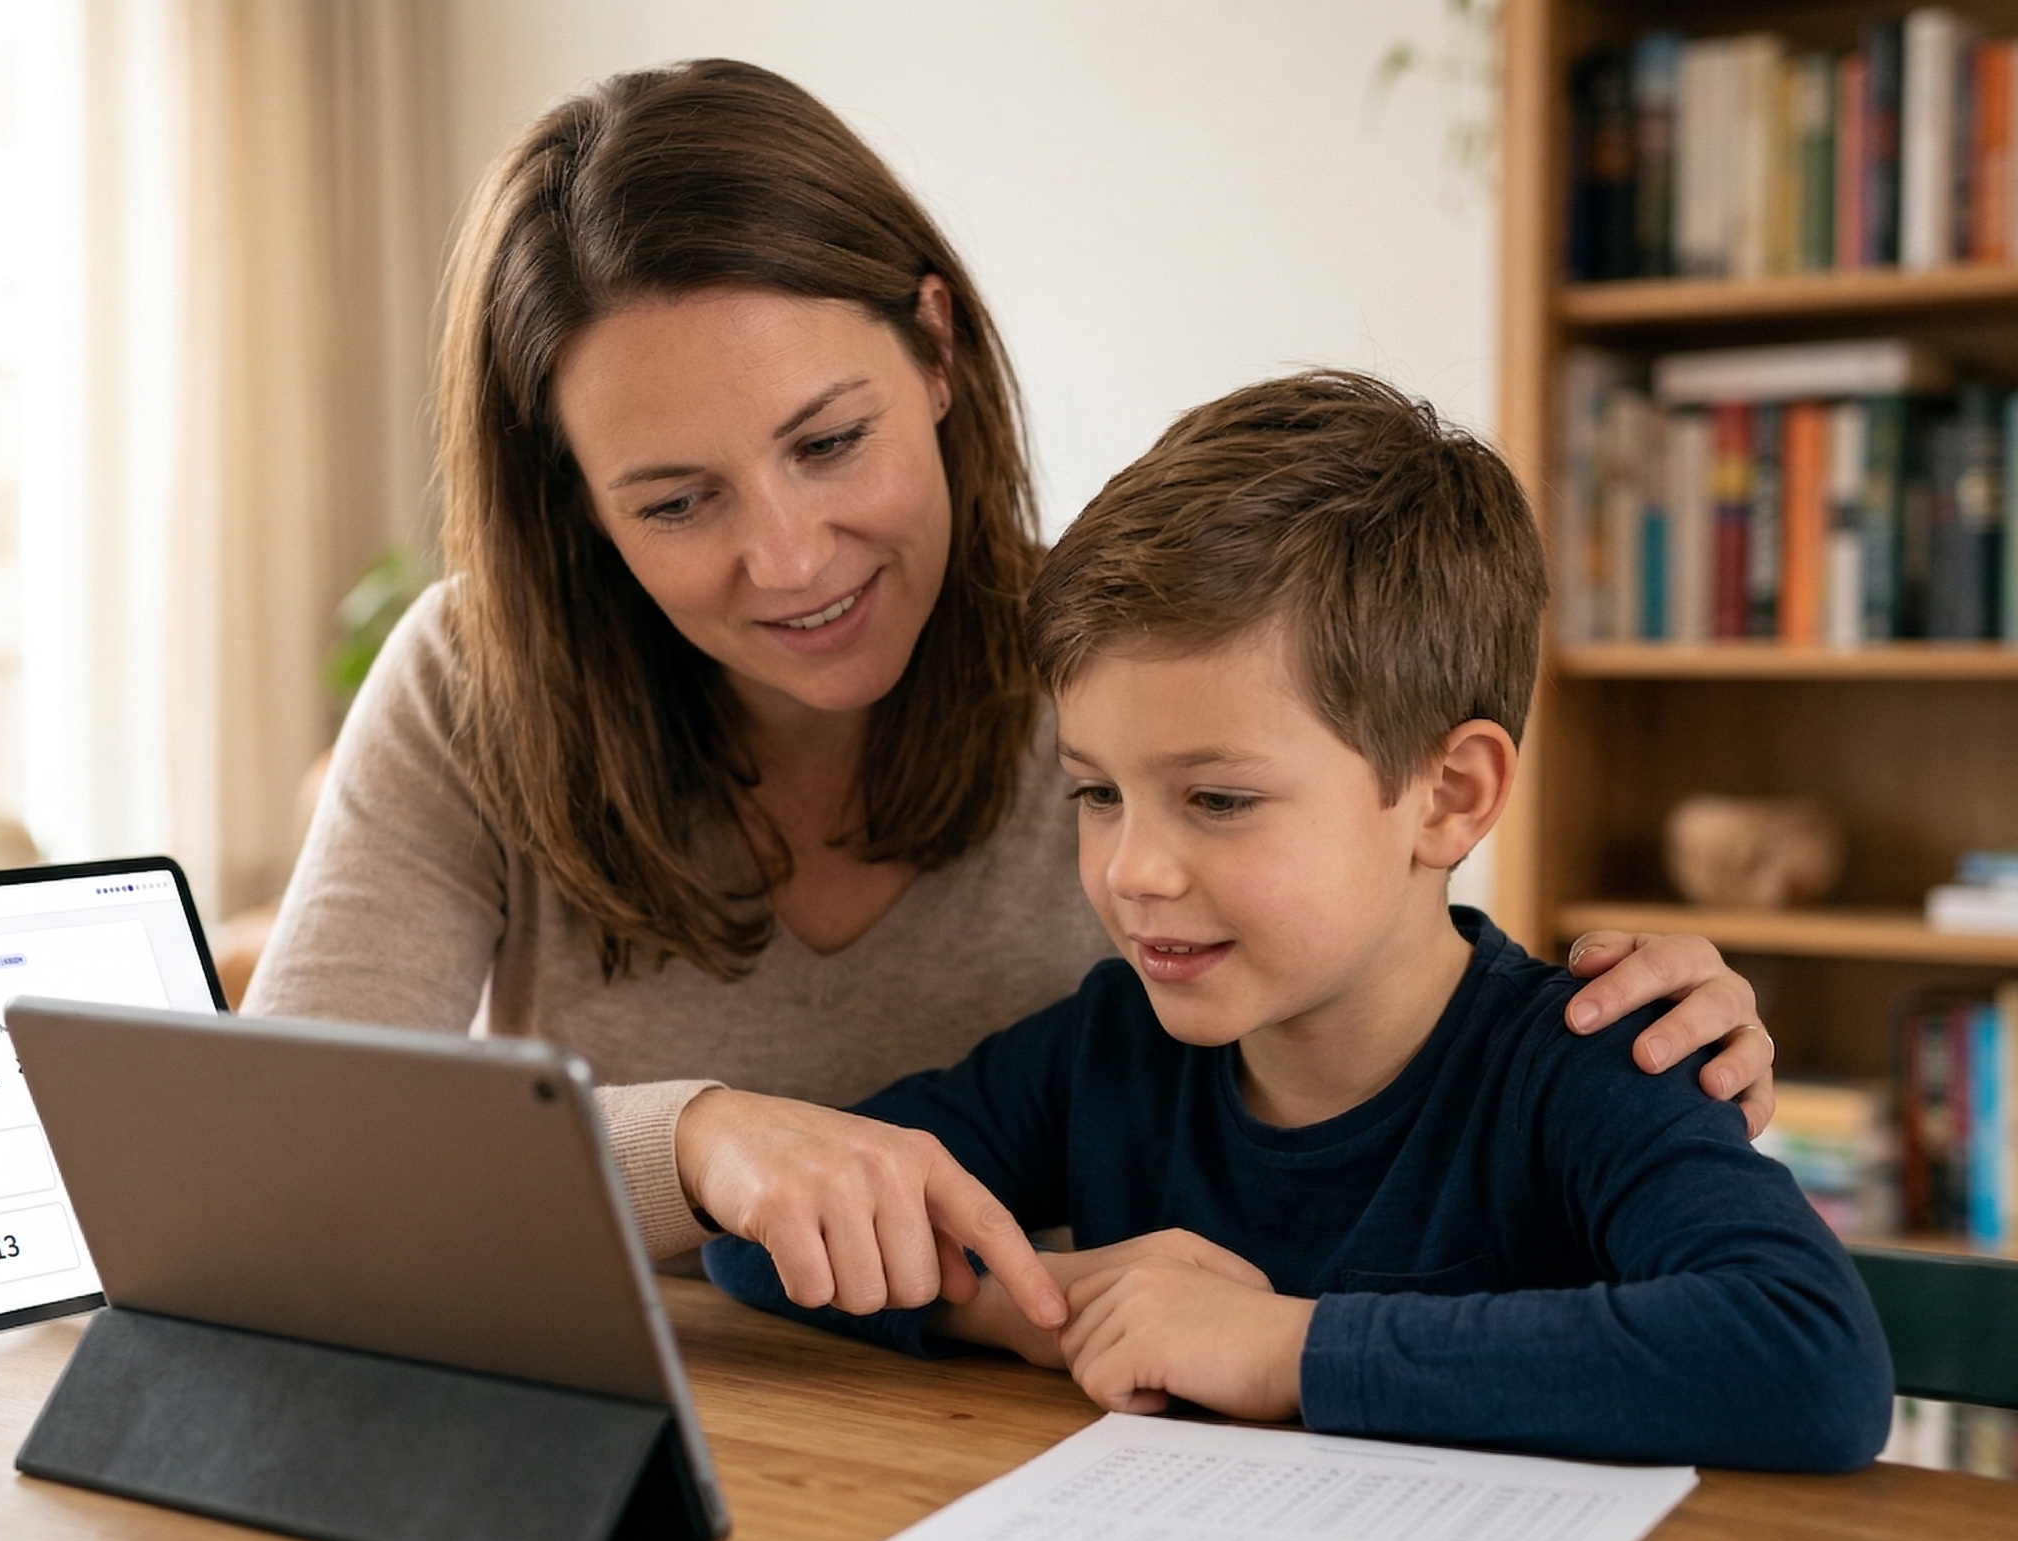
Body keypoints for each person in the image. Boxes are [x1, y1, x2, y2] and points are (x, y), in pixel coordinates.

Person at [244, 58, 1782, 1330]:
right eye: (672, 501)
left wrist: (1648, 1030)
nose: (787, 559)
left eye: (829, 442)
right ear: (572, 501)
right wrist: (694, 1139)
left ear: (935, 348)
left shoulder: (1130, 665)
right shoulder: (473, 684)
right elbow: (289, 1161)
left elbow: (1399, 973)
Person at [704, 372, 1895, 1471]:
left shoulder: (1594, 1059)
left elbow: (1806, 1357)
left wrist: (1283, 1350)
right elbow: (761, 1236)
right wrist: (1034, 1306)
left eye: (1218, 800)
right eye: (1096, 794)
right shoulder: (1106, 1049)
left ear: (1449, 796)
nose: (1134, 872)